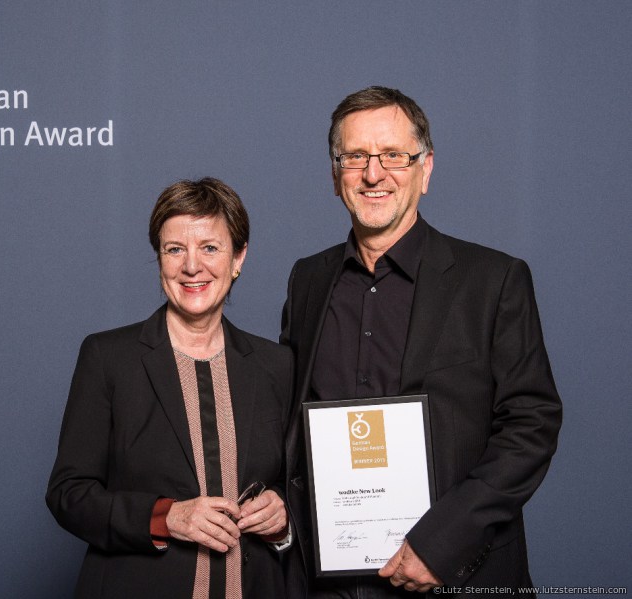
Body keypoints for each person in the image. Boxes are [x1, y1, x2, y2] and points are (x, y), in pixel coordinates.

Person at [281, 87, 562, 597]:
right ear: (334, 175)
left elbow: (531, 425)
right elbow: (292, 428)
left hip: (458, 576)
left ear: (425, 169)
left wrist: (443, 544)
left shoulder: (493, 280)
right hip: (327, 585)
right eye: (355, 157)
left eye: (393, 155)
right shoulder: (308, 280)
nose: (373, 174)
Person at [47, 177, 294, 599]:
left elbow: (297, 485)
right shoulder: (109, 358)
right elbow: (68, 495)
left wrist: (282, 518)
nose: (192, 266)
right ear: (159, 259)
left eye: (210, 248)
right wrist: (166, 517)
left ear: (238, 257)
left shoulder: (276, 365)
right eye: (175, 249)